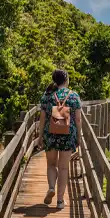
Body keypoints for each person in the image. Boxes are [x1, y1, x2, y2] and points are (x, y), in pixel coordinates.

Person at [36, 69, 82, 209]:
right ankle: (60, 201)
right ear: (66, 79)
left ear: (54, 80)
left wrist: (40, 136)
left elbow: (42, 118)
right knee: (63, 168)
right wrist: (79, 136)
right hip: (68, 135)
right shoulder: (74, 96)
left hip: (51, 134)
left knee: (51, 164)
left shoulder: (48, 96)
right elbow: (78, 119)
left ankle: (51, 187)